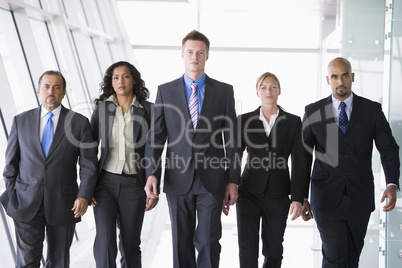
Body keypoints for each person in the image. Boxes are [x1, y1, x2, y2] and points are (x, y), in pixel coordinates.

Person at [144, 30, 240, 268]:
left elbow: (232, 140)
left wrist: (233, 180)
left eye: (200, 52)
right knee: (181, 242)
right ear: (182, 54)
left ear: (207, 55)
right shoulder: (165, 91)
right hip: (178, 179)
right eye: (190, 52)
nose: (194, 56)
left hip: (213, 180)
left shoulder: (224, 91)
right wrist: (151, 173)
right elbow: (156, 137)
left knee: (208, 240)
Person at [301, 57, 400, 267]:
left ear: (352, 77)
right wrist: (300, 196)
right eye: (335, 77)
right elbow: (302, 157)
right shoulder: (313, 111)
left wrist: (392, 183)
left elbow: (388, 149)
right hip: (326, 198)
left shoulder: (372, 110)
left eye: (345, 75)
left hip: (359, 199)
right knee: (335, 257)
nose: (340, 81)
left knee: (351, 259)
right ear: (328, 80)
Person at [0, 70, 98, 267]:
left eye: (56, 87)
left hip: (64, 203)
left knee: (59, 262)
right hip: (25, 203)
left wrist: (84, 195)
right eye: (46, 86)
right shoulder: (21, 121)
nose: (50, 91)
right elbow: (10, 164)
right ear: (38, 90)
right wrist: (12, 194)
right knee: (27, 262)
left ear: (63, 93)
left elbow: (88, 165)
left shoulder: (79, 123)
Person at [236, 72, 308, 268]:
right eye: (264, 87)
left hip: (278, 194)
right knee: (247, 247)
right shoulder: (243, 120)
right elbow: (234, 156)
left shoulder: (293, 122)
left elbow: (300, 162)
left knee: (274, 249)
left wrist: (298, 197)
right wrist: (231, 186)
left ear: (279, 91)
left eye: (273, 87)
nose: (269, 91)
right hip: (248, 192)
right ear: (257, 92)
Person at [90, 61, 157, 268]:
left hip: (135, 185)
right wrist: (87, 187)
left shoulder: (149, 110)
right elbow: (89, 150)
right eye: (116, 77)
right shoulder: (102, 109)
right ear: (111, 82)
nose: (121, 81)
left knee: (129, 244)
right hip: (104, 185)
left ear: (134, 79)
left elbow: (154, 150)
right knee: (105, 241)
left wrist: (153, 188)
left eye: (125, 76)